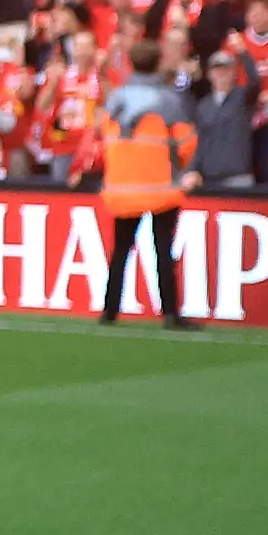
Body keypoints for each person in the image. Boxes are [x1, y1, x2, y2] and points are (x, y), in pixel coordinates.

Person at [98, 37, 193, 324]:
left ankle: (109, 311)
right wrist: (177, 168)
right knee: (163, 250)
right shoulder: (169, 100)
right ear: (158, 63)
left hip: (123, 187)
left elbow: (104, 135)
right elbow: (186, 143)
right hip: (160, 186)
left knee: (120, 251)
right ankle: (171, 313)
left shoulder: (117, 98)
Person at [189, 50, 259, 194]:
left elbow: (255, 81)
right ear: (209, 74)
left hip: (238, 177)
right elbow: (200, 142)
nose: (221, 74)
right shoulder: (203, 106)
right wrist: (193, 169)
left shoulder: (243, 98)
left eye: (226, 69)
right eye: (217, 69)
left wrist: (243, 54)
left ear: (234, 73)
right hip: (209, 179)